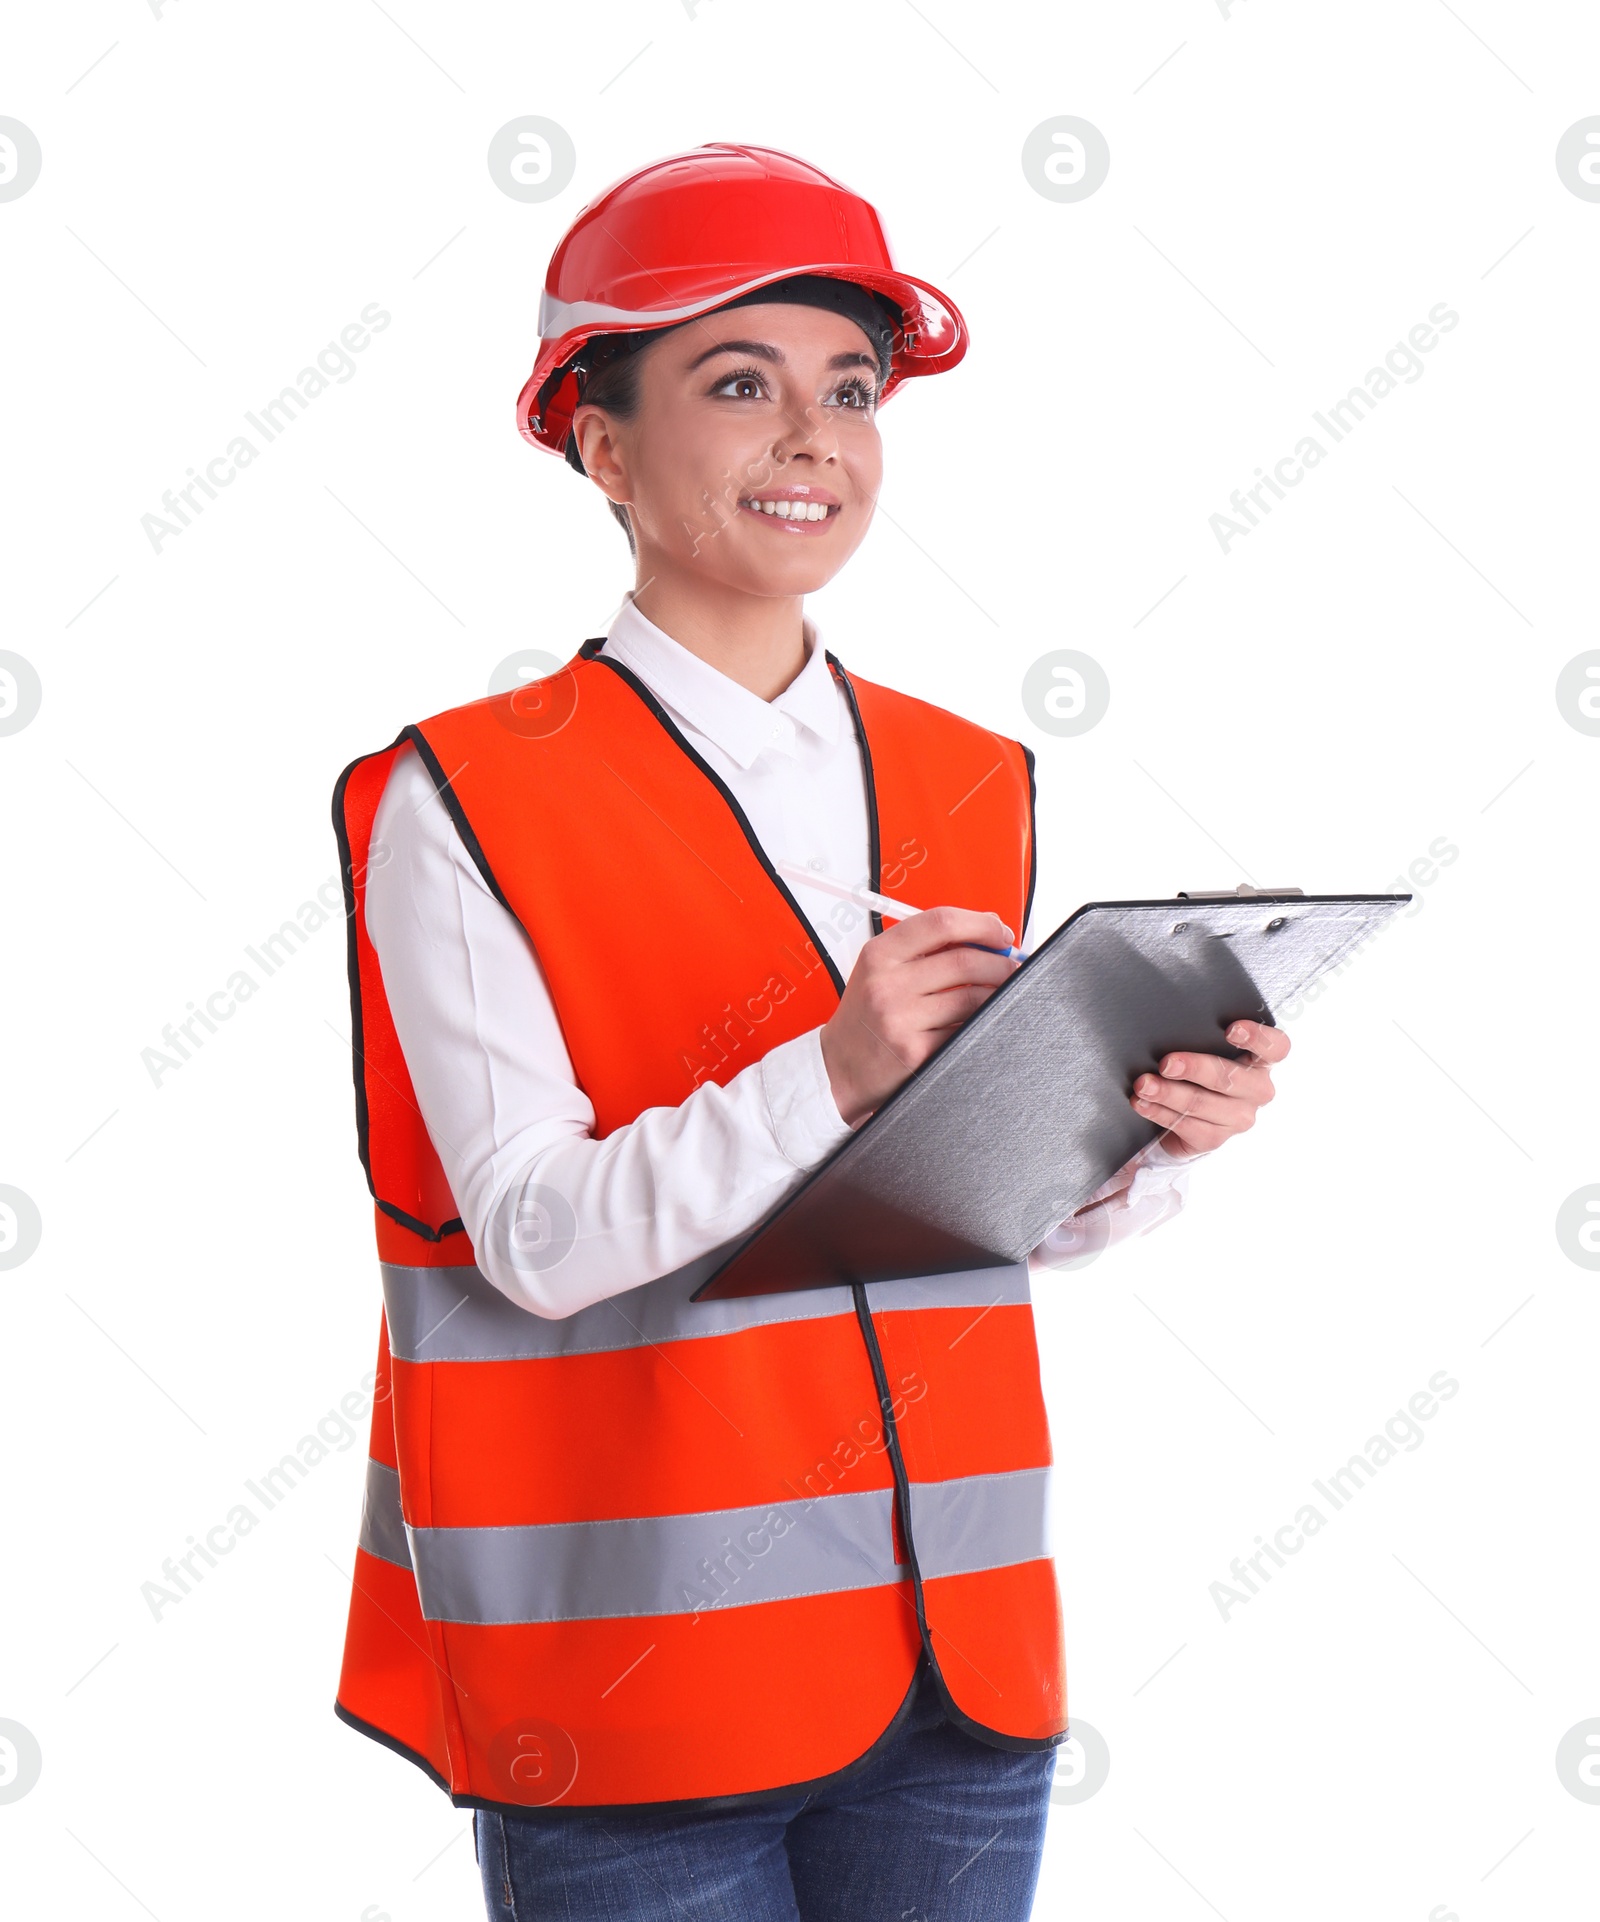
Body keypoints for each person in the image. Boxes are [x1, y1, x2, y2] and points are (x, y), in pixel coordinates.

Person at [330, 143, 1288, 1922]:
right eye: (738, 383)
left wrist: (1136, 1141)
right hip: (635, 1687)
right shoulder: (458, 797)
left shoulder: (966, 774)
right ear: (599, 444)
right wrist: (831, 1069)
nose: (817, 435)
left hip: (958, 1654)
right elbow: (533, 1236)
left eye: (850, 389)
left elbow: (947, 1203)